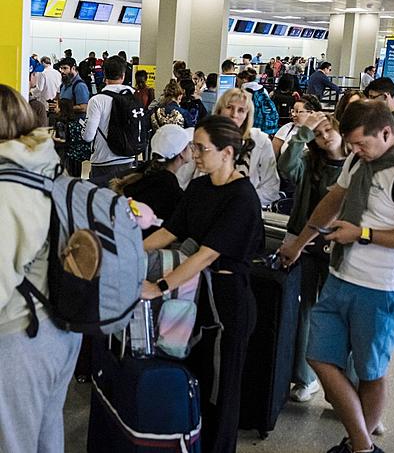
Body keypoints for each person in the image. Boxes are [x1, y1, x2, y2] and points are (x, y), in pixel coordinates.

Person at [278, 100, 394, 453]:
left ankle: (357, 446)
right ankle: (363, 445)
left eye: (361, 144)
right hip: (341, 276)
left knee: (370, 373)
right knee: (319, 356)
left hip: (382, 291)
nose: (354, 151)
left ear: (386, 133)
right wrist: (300, 242)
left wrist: (363, 234)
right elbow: (333, 201)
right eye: (351, 145)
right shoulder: (358, 160)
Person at [141, 115, 262, 453]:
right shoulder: (199, 186)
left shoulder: (242, 198)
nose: (193, 153)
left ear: (227, 152)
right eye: (193, 146)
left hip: (228, 304)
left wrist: (160, 287)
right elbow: (170, 233)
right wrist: (130, 250)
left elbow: (206, 255)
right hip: (196, 301)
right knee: (197, 380)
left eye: (200, 148)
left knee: (221, 393)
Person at [0, 84, 83, 453]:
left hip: (21, 336)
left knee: (14, 442)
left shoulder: (7, 188)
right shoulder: (43, 165)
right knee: (47, 434)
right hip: (61, 326)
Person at [276, 111, 346, 402]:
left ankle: (342, 386)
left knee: (338, 314)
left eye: (329, 130)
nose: (324, 137)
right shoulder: (309, 161)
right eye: (319, 134)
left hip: (339, 245)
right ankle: (305, 378)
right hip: (303, 244)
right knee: (305, 309)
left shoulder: (356, 166)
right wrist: (303, 132)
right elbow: (286, 167)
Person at [111, 124, 192, 238]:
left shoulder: (147, 171)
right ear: (181, 153)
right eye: (189, 145)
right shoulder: (168, 186)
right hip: (144, 247)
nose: (192, 148)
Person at [206, 88, 280, 207]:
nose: (234, 115)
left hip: (244, 210)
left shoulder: (260, 142)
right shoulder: (205, 138)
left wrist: (239, 203)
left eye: (241, 110)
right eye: (229, 107)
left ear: (247, 115)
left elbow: (271, 188)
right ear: (219, 110)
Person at [82, 56, 140, 187]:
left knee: (101, 202)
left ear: (104, 74)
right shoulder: (132, 96)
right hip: (128, 159)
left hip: (103, 161)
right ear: (123, 75)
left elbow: (88, 136)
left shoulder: (97, 100)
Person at [240, 68, 279, 136]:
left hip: (253, 123)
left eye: (237, 81)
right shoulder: (263, 89)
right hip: (266, 124)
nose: (237, 83)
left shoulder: (245, 91)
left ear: (244, 80)